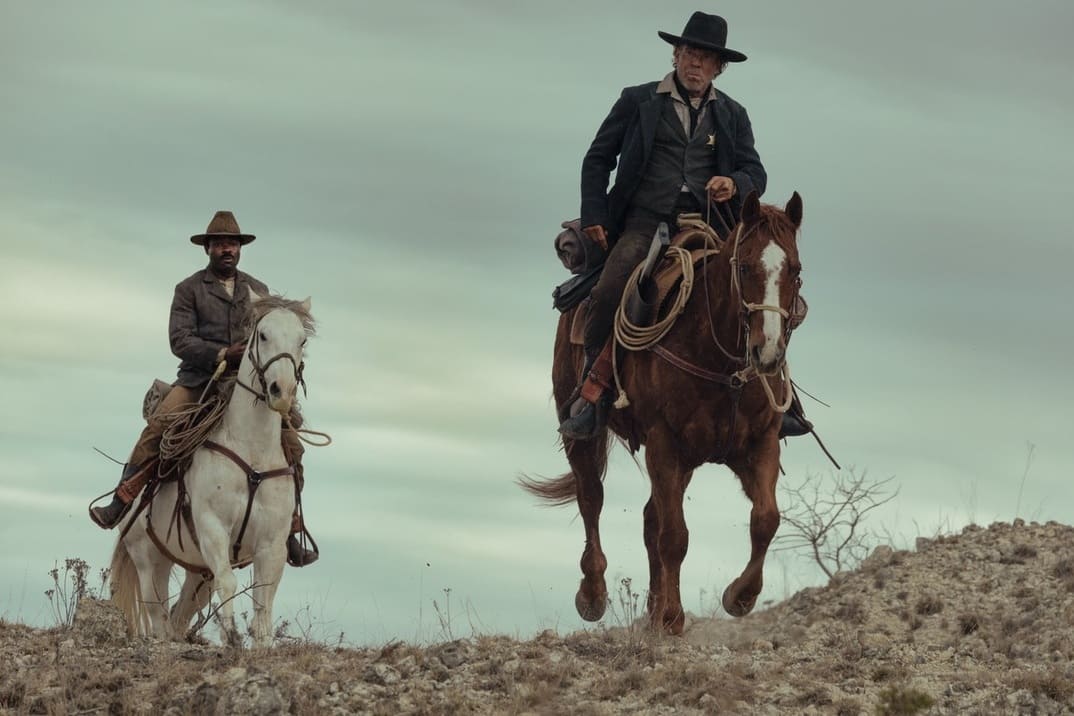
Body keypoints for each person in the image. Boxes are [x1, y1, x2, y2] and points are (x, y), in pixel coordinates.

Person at [560, 11, 811, 440]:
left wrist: (734, 183)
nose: (696, 64)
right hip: (644, 223)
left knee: (762, 288)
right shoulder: (636, 101)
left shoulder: (733, 114)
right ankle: (594, 392)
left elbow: (755, 171)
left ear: (719, 67)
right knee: (608, 291)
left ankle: (780, 394)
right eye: (690, 54)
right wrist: (596, 215)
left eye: (706, 58)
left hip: (711, 224)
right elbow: (597, 159)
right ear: (677, 55)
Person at [89, 210, 318, 567]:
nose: (227, 249)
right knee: (159, 427)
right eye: (220, 244)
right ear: (208, 248)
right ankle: (121, 501)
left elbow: (270, 338)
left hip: (247, 385)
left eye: (232, 244)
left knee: (291, 445)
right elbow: (179, 340)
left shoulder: (258, 291)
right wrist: (222, 353)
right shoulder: (189, 289)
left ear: (240, 249)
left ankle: (290, 528)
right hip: (200, 380)